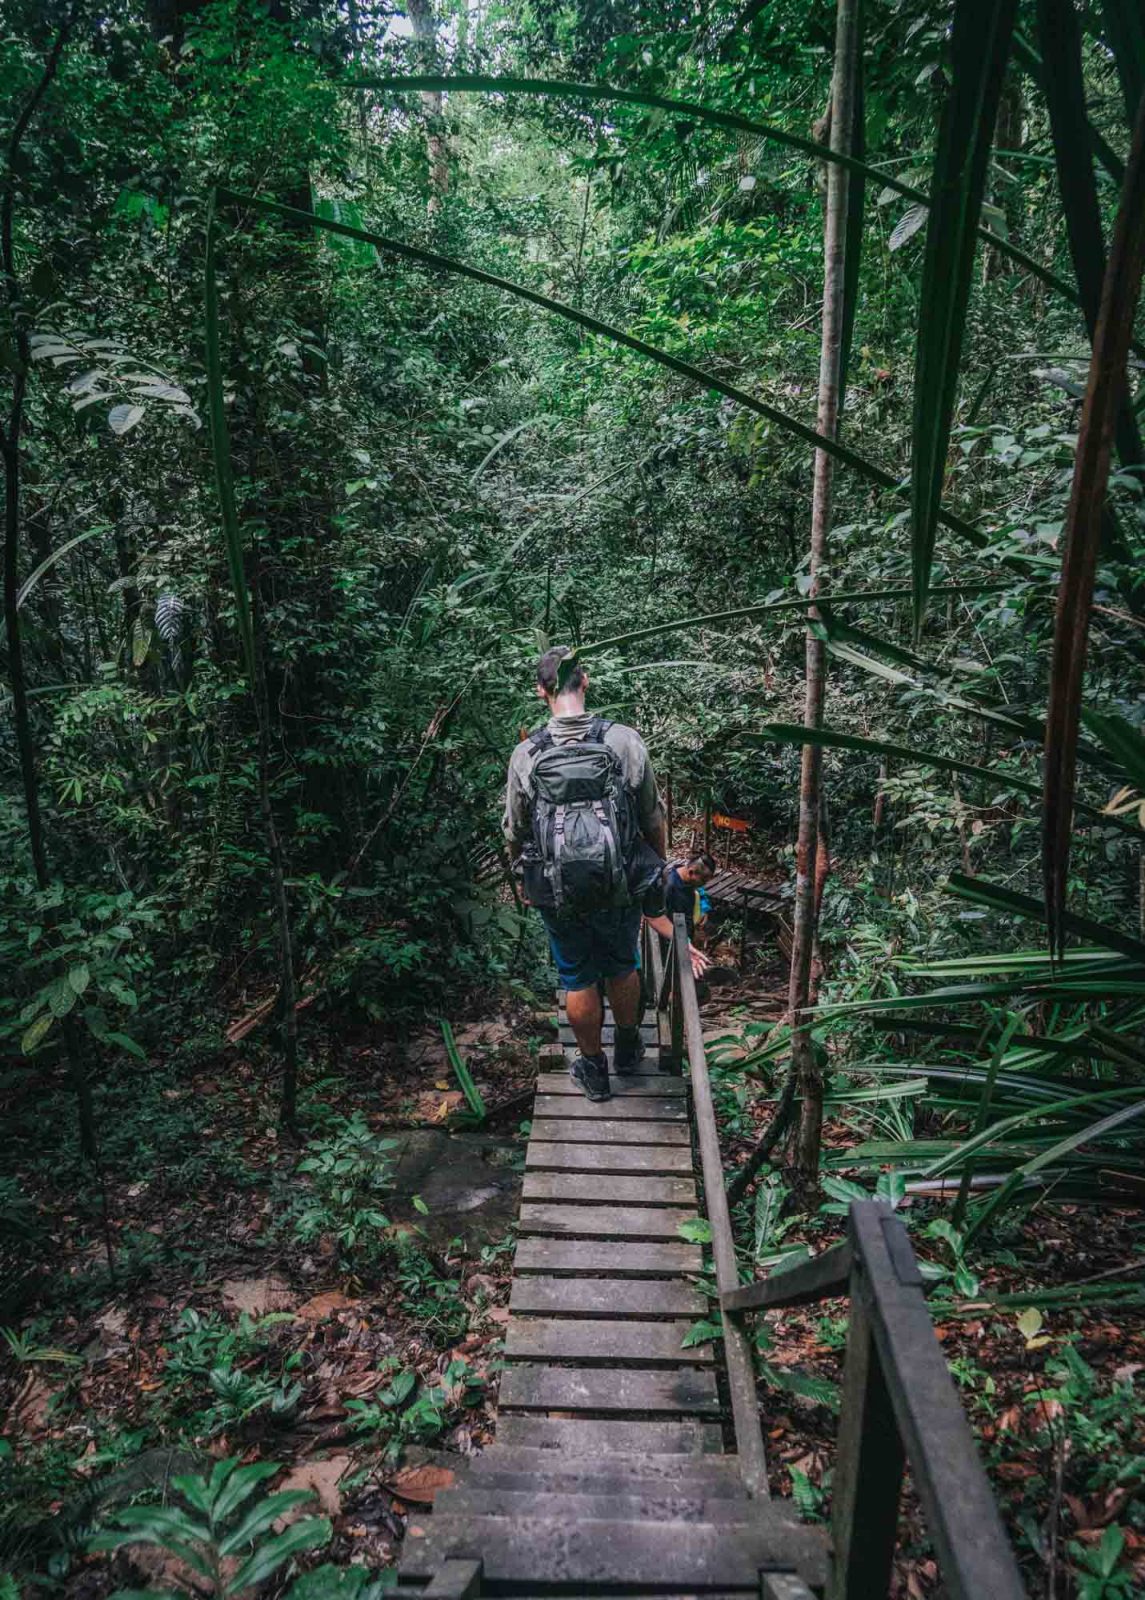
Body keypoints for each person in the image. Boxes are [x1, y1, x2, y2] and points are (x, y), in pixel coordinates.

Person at [503, 646, 667, 1102]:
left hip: (556, 887)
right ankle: (630, 1046)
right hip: (619, 882)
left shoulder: (527, 752)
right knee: (621, 961)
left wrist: (526, 877)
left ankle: (594, 1070)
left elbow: (515, 829)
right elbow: (652, 817)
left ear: (542, 691)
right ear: (585, 681)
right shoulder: (623, 740)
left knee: (576, 975)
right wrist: (654, 871)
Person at [645, 852, 715, 978]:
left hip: (684, 933)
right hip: (670, 936)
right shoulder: (669, 886)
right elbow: (658, 916)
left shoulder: (688, 878)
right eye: (703, 880)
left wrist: (704, 908)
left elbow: (700, 891)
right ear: (691, 872)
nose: (704, 883)